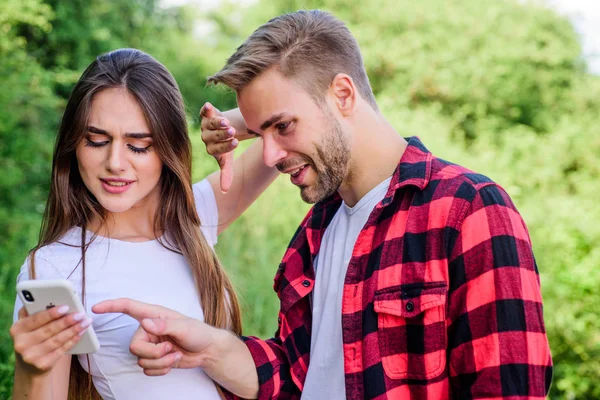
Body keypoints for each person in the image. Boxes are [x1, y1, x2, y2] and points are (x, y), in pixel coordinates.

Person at [94, 10, 553, 399]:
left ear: (344, 94)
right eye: (261, 133)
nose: (269, 157)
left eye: (283, 127)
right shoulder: (318, 229)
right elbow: (297, 377)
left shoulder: (468, 211)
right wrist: (209, 348)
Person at [10, 48, 277, 400]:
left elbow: (287, 122)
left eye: (138, 146)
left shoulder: (193, 217)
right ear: (74, 143)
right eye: (97, 140)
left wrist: (227, 126)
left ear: (168, 147)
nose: (115, 162)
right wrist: (32, 367)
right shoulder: (54, 267)